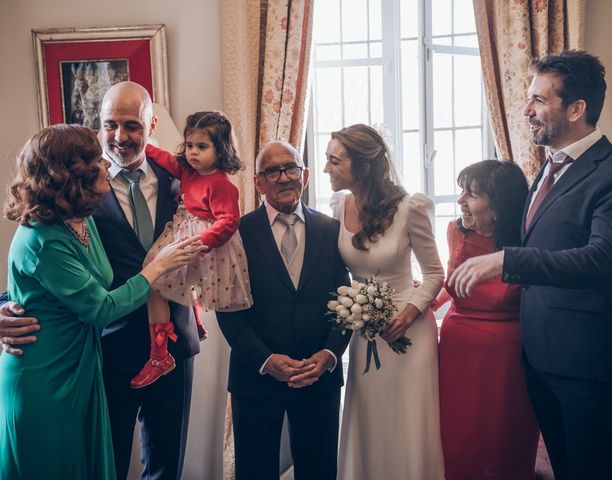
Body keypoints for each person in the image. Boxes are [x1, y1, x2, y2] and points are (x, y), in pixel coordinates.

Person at [448, 50, 612, 480]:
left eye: (539, 100)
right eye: (528, 98)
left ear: (576, 109)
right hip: (539, 359)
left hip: (587, 367)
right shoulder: (546, 169)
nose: (526, 109)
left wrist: (507, 260)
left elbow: (603, 260)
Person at [0, 81, 203, 479]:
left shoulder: (182, 176)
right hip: (104, 349)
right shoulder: (73, 188)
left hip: (175, 343)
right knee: (102, 462)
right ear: (98, 126)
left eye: (132, 125)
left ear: (152, 123)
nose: (120, 137)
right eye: (110, 125)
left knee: (167, 463)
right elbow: (36, 269)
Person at [216, 141, 350, 480]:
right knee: (255, 471)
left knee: (319, 470)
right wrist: (265, 360)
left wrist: (330, 355)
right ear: (259, 182)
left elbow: (346, 302)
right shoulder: (236, 234)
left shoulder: (332, 231)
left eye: (291, 168)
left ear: (304, 175)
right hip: (256, 376)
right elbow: (228, 311)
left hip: (317, 375)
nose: (284, 177)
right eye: (272, 171)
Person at [324, 124, 445, 480]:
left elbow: (436, 274)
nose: (327, 169)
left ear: (362, 167)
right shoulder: (338, 205)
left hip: (410, 330)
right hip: (366, 330)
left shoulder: (411, 208)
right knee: (371, 415)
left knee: (408, 419)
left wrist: (408, 313)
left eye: (334, 161)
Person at [131, 111, 252, 389]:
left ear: (219, 149)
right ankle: (184, 328)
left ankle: (159, 354)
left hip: (204, 243)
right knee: (160, 279)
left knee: (153, 281)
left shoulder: (221, 184)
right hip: (184, 232)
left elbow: (229, 220)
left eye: (202, 147)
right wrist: (141, 142)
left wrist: (203, 242)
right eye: (189, 145)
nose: (193, 153)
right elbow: (163, 158)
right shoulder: (186, 169)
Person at [435, 160, 539, 480]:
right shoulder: (455, 231)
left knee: (502, 436)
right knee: (457, 432)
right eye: (461, 192)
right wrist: (418, 304)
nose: (461, 201)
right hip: (456, 352)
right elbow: (451, 283)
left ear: (499, 205)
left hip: (507, 359)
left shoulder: (527, 241)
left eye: (472, 194)